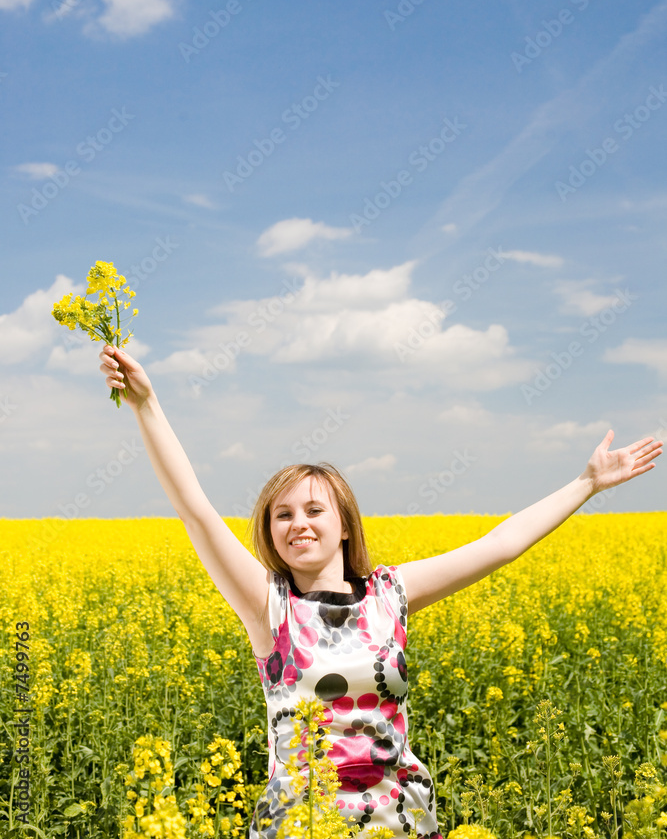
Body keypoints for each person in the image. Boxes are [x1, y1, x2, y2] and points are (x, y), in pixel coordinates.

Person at [99, 342, 663, 838]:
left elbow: (499, 545)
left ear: (344, 524)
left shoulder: (389, 593)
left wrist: (586, 484)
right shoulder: (268, 604)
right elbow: (194, 510)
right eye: (282, 515)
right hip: (303, 822)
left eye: (315, 509)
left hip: (401, 819)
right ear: (270, 533)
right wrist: (147, 405)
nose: (299, 523)